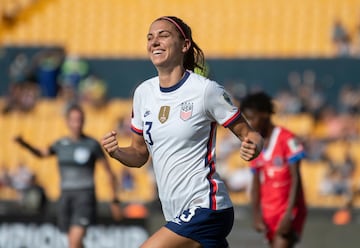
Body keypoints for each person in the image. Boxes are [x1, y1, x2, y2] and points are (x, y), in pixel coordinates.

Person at [101, 16, 263, 248]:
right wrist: (116, 152)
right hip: (174, 213)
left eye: (163, 35)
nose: (154, 41)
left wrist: (254, 146)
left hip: (206, 207)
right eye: (150, 37)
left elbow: (251, 134)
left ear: (184, 45)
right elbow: (139, 154)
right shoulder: (143, 93)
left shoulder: (205, 90)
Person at [15, 104, 119, 248]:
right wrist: (24, 144)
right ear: (67, 122)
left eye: (80, 120)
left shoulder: (92, 144)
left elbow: (109, 172)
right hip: (65, 196)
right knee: (73, 241)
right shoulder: (60, 144)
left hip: (85, 196)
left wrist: (114, 200)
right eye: (74, 120)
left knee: (74, 241)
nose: (77, 123)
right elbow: (41, 154)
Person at [240, 92, 307, 248]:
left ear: (265, 115)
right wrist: (256, 215)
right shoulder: (255, 144)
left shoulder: (287, 139)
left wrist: (289, 215)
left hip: (288, 210)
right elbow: (256, 183)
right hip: (269, 212)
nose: (249, 123)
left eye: (252, 118)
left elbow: (296, 179)